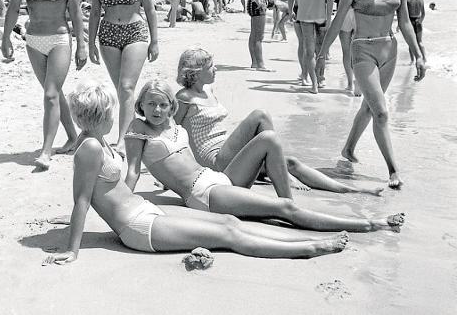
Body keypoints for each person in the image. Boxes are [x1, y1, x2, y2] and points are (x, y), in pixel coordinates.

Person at [43, 81, 350, 265]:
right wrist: (73, 249)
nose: (114, 117)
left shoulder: (95, 142)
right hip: (136, 228)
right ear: (101, 114)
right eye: (110, 111)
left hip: (147, 211)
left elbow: (97, 194)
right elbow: (83, 200)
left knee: (229, 221)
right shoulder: (90, 149)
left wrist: (67, 219)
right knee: (227, 235)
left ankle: (298, 240)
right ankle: (309, 248)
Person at [125, 81, 405, 232]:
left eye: (163, 104)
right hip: (203, 194)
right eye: (151, 104)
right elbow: (135, 170)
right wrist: (125, 201)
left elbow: (177, 160)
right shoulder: (138, 129)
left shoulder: (171, 124)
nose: (157, 110)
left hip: (217, 178)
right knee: (282, 211)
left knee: (269, 138)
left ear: (170, 106)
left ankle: (290, 202)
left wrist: (163, 180)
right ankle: (372, 224)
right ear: (140, 105)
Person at [174, 48, 383, 195]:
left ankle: (349, 189)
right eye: (211, 66)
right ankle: (283, 176)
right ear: (196, 72)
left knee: (291, 162)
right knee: (260, 115)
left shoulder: (208, 90)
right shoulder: (184, 97)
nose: (216, 69)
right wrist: (175, 173)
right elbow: (172, 132)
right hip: (215, 160)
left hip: (228, 151)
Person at [317, 0, 426, 189]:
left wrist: (419, 54)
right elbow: (337, 20)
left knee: (369, 107)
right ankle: (393, 171)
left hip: (389, 50)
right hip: (362, 50)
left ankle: (348, 150)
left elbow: (405, 23)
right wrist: (321, 54)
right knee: (381, 113)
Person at [2, 0, 87, 169]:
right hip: (33, 40)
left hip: (60, 38)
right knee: (54, 93)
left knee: (50, 94)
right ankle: (73, 137)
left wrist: (81, 43)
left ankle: (46, 151)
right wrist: (5, 37)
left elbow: (75, 8)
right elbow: (14, 7)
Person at [88, 0, 158, 155]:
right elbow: (95, 12)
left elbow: (149, 8)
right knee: (121, 89)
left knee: (127, 87)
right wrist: (90, 44)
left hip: (135, 31)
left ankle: (123, 140)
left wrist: (155, 40)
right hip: (107, 34)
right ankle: (136, 129)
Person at [334, 0, 365, 95]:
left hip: (344, 12)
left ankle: (349, 83)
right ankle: (359, 82)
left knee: (346, 51)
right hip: (360, 13)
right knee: (359, 50)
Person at [406, 0, 427, 64]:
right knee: (420, 42)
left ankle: (412, 61)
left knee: (411, 43)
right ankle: (425, 59)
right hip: (418, 21)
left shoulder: (407, 0)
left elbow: (405, 14)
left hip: (410, 21)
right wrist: (420, 21)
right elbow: (423, 14)